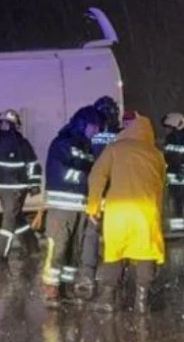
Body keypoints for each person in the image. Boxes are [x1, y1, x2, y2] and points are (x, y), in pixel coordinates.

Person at [86, 113, 166, 313]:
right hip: (145, 212)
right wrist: (158, 213)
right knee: (146, 252)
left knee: (115, 252)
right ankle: (142, 300)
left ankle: (107, 298)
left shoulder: (115, 149)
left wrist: (94, 207)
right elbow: (159, 186)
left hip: (118, 211)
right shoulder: (156, 154)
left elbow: (97, 175)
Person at [41, 106, 103, 306]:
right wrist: (89, 175)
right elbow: (70, 170)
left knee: (74, 250)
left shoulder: (87, 147)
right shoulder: (62, 143)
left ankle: (66, 288)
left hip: (80, 206)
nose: (97, 131)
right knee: (58, 247)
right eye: (94, 126)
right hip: (62, 206)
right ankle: (51, 290)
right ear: (82, 124)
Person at [0, 109, 42, 263]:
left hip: (17, 188)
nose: (3, 126)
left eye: (5, 123)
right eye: (1, 123)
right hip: (3, 188)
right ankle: (32, 248)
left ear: (13, 125)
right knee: (17, 218)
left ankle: (0, 255)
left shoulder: (22, 144)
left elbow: (33, 165)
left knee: (8, 220)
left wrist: (34, 184)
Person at [78, 96, 123, 295]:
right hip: (117, 195)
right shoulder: (122, 137)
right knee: (116, 235)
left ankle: (88, 275)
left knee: (91, 233)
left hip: (95, 193)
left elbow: (83, 164)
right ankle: (114, 278)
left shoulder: (90, 137)